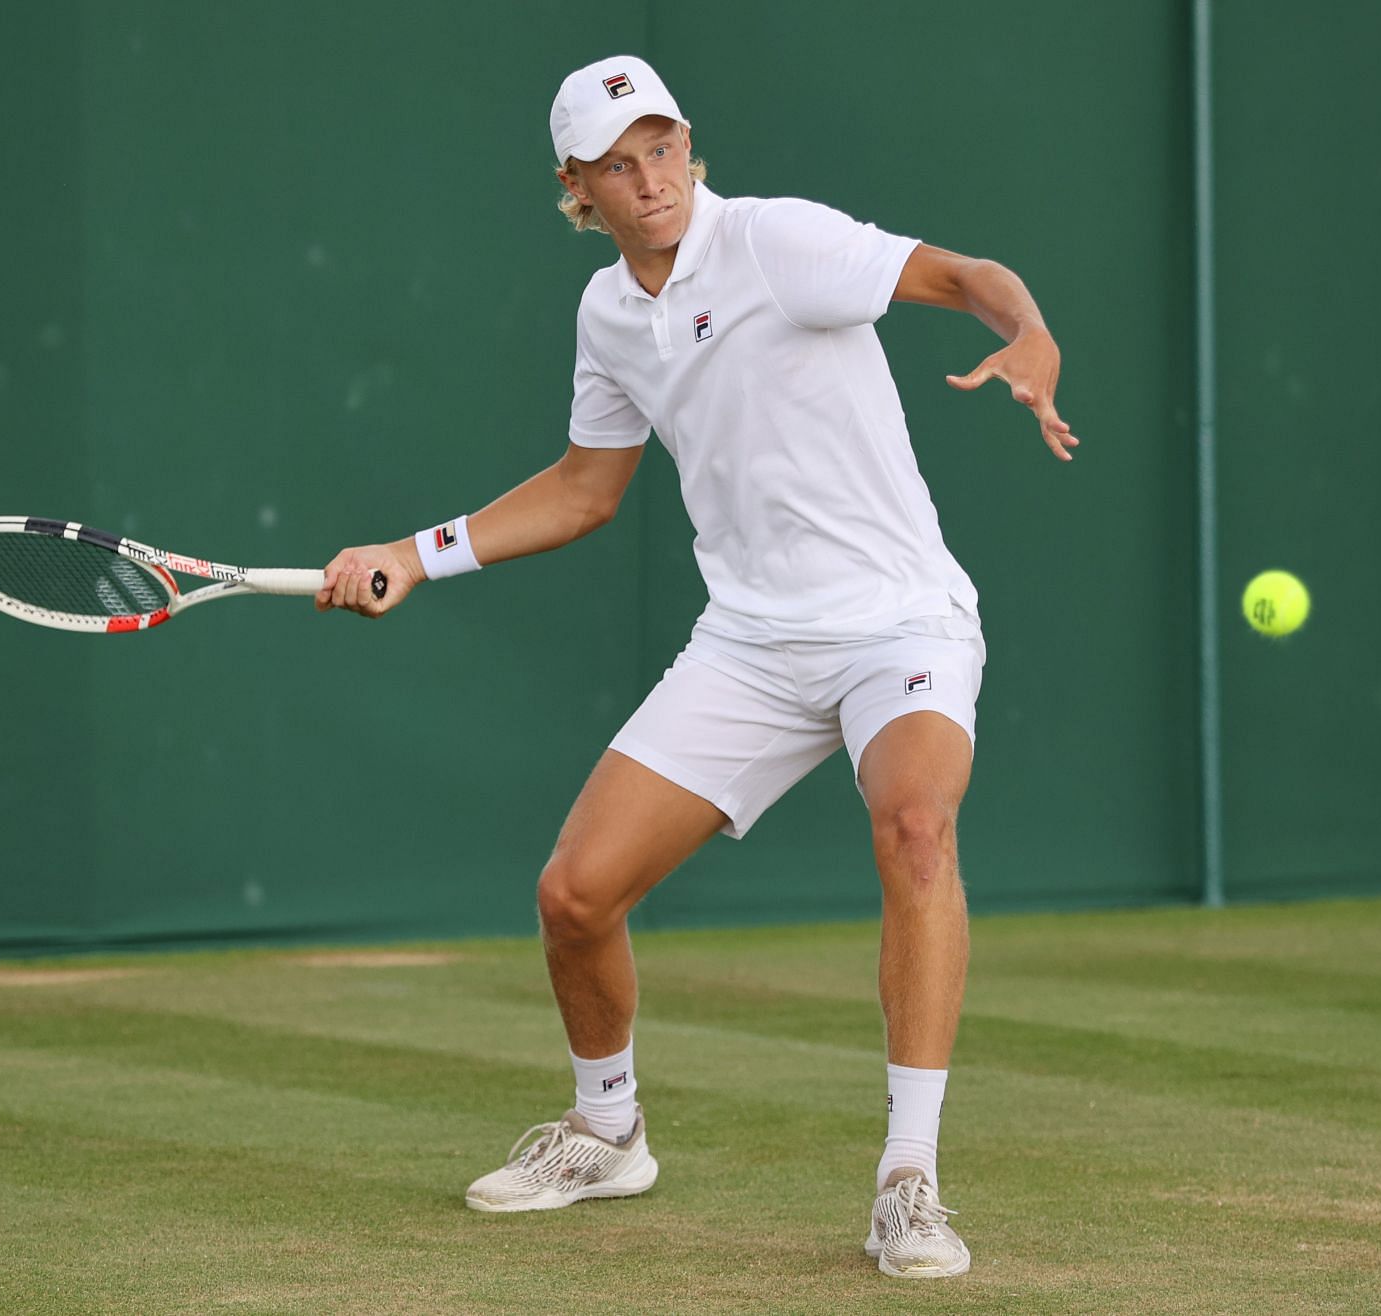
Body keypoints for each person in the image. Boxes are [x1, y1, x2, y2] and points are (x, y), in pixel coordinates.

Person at [318, 54, 1076, 1280]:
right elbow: (583, 490)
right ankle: (607, 1129)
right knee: (574, 895)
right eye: (619, 163)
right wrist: (417, 552)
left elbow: (963, 275)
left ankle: (909, 1180)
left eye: (663, 146)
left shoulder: (781, 242)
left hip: (901, 621)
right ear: (578, 187)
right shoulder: (609, 316)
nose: (651, 176)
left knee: (919, 828)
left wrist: (1029, 331)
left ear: (688, 147)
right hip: (754, 640)